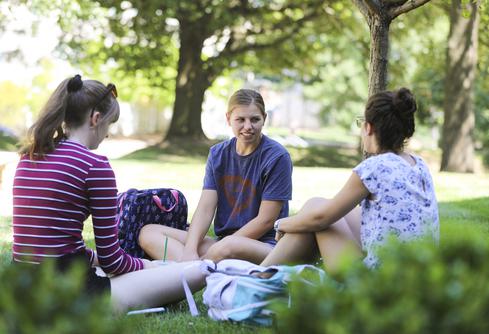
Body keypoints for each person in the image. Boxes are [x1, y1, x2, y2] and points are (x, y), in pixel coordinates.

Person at [12, 75, 206, 312]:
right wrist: (146, 265)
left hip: (22, 286)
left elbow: (50, 241)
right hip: (69, 292)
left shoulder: (29, 156)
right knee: (198, 271)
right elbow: (112, 260)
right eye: (109, 124)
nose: (108, 134)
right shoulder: (95, 166)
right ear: (95, 119)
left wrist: (92, 259)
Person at [261, 87, 439, 271]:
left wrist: (282, 224)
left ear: (368, 127)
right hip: (420, 276)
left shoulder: (372, 168)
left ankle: (259, 277)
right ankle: (265, 272)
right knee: (319, 205)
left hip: (379, 282)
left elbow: (320, 219)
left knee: (316, 210)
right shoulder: (419, 165)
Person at [139, 89, 293, 264]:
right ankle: (195, 264)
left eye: (255, 119)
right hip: (223, 242)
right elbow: (205, 208)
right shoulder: (218, 153)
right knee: (149, 232)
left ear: (264, 118)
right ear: (228, 119)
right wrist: (190, 249)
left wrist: (222, 247)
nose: (248, 126)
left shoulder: (277, 157)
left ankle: (196, 270)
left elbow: (265, 221)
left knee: (228, 247)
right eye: (240, 119)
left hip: (264, 247)